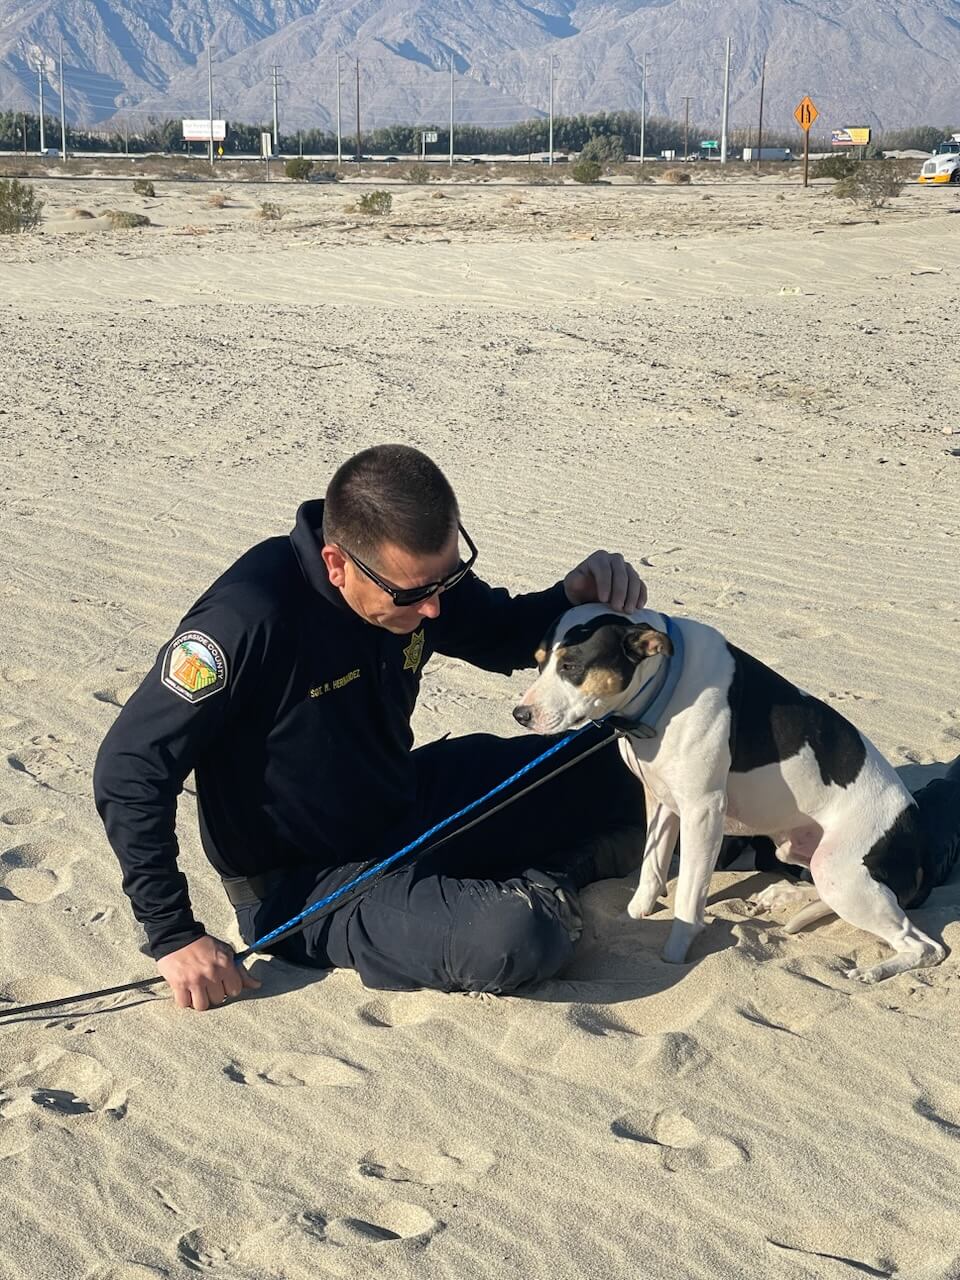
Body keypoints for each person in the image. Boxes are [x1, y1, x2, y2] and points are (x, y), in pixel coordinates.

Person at [94, 444, 650, 1012]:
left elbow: (496, 633)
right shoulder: (246, 618)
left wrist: (570, 598)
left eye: (447, 579)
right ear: (337, 564)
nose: (434, 609)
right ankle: (555, 875)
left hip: (404, 802)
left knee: (619, 759)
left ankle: (534, 869)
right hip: (301, 884)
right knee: (518, 938)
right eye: (414, 594)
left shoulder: (415, 580)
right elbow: (130, 765)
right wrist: (173, 934)